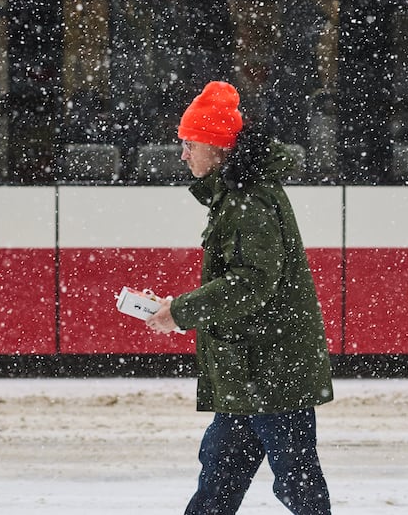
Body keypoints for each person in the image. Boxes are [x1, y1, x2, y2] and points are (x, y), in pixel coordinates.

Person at [146, 81, 334, 515]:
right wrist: (177, 307)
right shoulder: (237, 196)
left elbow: (252, 281)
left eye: (190, 143)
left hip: (271, 371)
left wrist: (181, 310)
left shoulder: (249, 201)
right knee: (219, 480)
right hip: (249, 369)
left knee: (295, 482)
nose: (184, 154)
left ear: (217, 148)